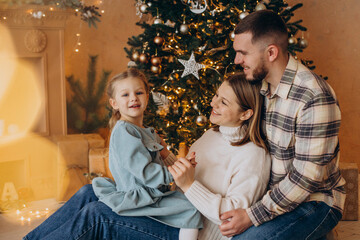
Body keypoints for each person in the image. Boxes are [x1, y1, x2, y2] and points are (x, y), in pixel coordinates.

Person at [23, 72, 271, 240]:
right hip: (172, 209)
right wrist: (166, 155)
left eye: (224, 102)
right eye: (217, 95)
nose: (213, 103)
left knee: (97, 215)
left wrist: (188, 185)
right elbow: (184, 171)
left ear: (246, 114)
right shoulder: (214, 134)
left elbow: (230, 217)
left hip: (191, 229)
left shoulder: (254, 156)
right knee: (89, 192)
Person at [218, 10, 345, 240]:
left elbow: (305, 180)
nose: (237, 60)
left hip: (316, 202)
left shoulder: (314, 97)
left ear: (271, 52)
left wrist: (252, 216)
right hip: (278, 199)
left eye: (242, 53)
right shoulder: (261, 89)